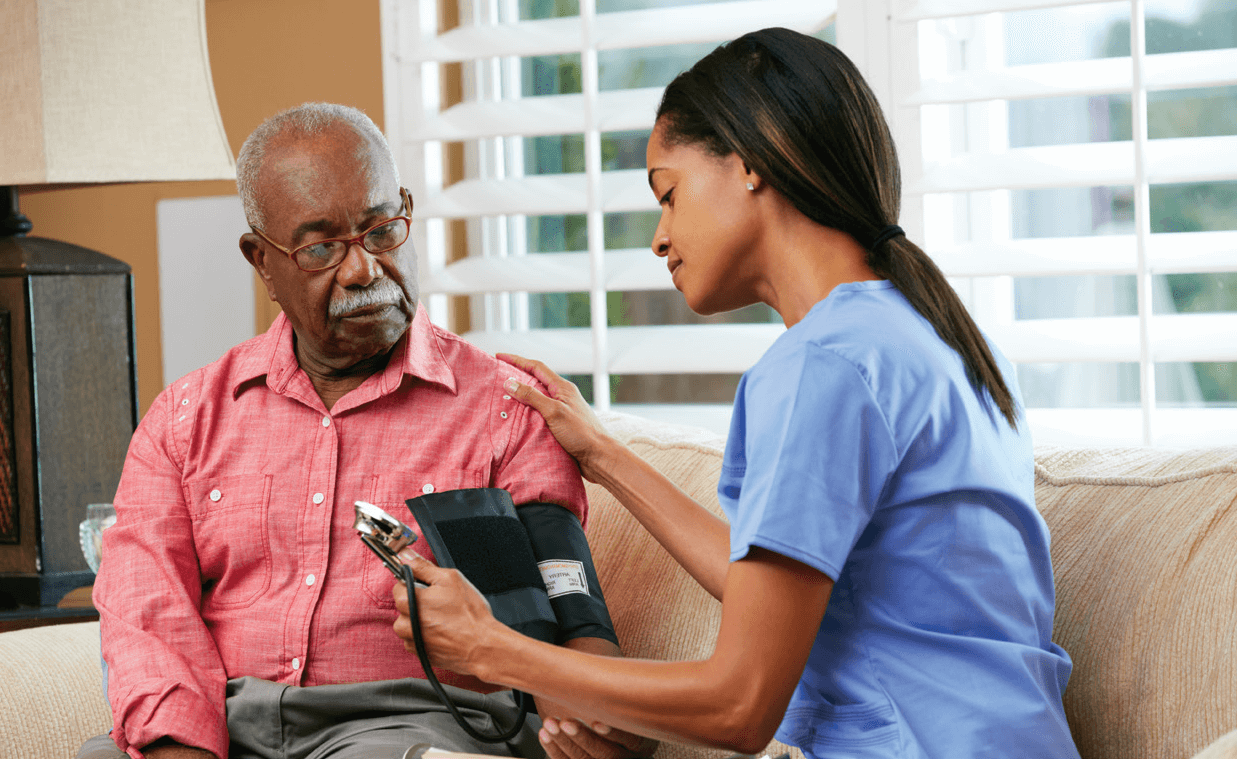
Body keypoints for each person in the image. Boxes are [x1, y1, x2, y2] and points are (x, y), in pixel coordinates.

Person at [392, 28, 1081, 759]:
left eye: (668, 193)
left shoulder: (823, 366)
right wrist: (602, 456)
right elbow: (780, 589)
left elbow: (741, 705)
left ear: (750, 163)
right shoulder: (936, 340)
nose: (659, 238)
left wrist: (494, 649)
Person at [81, 103, 652, 759]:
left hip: (412, 727)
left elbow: (567, 606)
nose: (361, 271)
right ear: (262, 261)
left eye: (382, 230)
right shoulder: (185, 419)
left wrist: (600, 715)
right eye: (321, 247)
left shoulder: (506, 407)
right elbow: (148, 616)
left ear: (407, 211)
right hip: (225, 725)